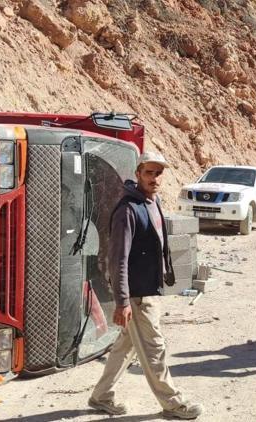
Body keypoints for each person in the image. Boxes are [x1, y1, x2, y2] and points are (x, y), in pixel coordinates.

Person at [88, 151, 203, 419]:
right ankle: (174, 403)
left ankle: (101, 396)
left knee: (125, 347)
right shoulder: (128, 210)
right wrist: (123, 302)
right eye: (149, 173)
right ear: (138, 173)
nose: (154, 178)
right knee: (154, 349)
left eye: (158, 173)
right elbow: (118, 260)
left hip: (149, 289)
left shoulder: (153, 201)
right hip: (137, 295)